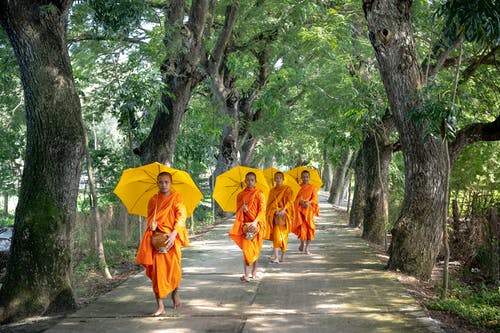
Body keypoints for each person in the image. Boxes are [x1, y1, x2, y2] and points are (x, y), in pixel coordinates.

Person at [135, 172, 189, 316]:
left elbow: (181, 216)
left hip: (172, 239)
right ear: (157, 184)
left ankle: (175, 293)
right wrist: (152, 225)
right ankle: (160, 306)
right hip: (157, 241)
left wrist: (173, 233)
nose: (163, 185)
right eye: (160, 182)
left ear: (171, 183)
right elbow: (150, 219)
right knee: (157, 274)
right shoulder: (154, 200)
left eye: (166, 182)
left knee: (174, 271)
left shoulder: (177, 198)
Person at [229, 171, 266, 282]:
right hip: (246, 226)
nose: (250, 182)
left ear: (255, 181)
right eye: (248, 180)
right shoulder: (241, 195)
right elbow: (238, 211)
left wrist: (255, 222)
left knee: (255, 249)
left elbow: (262, 210)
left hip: (256, 225)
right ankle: (246, 274)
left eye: (252, 180)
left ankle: (254, 272)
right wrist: (242, 209)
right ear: (245, 181)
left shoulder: (260, 194)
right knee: (246, 250)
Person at [264, 171, 295, 263]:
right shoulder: (272, 191)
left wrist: (283, 210)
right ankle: (276, 257)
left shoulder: (287, 189)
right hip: (275, 216)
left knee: (284, 236)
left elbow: (290, 202)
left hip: (284, 216)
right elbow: (269, 205)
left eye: (280, 178)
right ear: (274, 179)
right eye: (276, 178)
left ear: (283, 179)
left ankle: (283, 256)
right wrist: (275, 211)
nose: (278, 179)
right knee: (276, 236)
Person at [293, 170, 319, 255]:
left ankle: (307, 247)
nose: (305, 178)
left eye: (307, 177)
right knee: (302, 228)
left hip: (309, 211)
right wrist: (300, 201)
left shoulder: (313, 187)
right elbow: (295, 198)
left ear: (309, 177)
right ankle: (302, 243)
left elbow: (315, 199)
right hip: (300, 210)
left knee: (310, 229)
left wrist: (309, 202)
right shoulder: (298, 187)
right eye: (304, 177)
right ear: (301, 177)